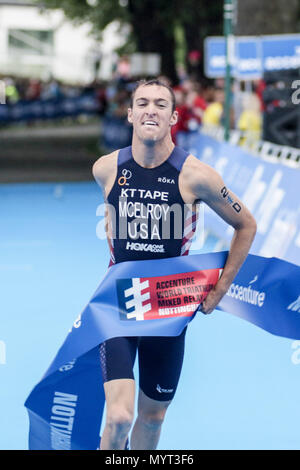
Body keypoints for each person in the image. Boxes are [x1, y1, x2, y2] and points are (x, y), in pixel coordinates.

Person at [92, 78, 257, 450]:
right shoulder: (105, 169)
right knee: (118, 416)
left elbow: (246, 224)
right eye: (143, 103)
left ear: (173, 117)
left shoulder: (197, 176)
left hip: (168, 307)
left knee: (151, 420)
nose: (151, 109)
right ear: (130, 114)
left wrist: (221, 287)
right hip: (119, 301)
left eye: (161, 104)